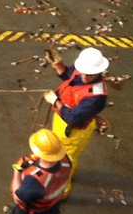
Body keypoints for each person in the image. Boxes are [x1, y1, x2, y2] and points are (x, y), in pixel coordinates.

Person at [42, 47, 109, 198]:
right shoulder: (82, 70)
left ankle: (62, 191)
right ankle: (72, 169)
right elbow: (68, 76)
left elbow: (73, 118)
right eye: (83, 72)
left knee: (65, 159)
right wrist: (58, 65)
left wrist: (55, 101)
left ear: (99, 72)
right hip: (61, 120)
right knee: (63, 154)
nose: (84, 76)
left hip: (74, 131)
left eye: (89, 74)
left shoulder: (96, 97)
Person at [10, 129, 72, 214]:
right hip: (52, 207)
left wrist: (17, 170)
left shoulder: (33, 182)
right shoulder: (66, 161)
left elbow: (18, 198)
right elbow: (43, 173)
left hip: (33, 213)